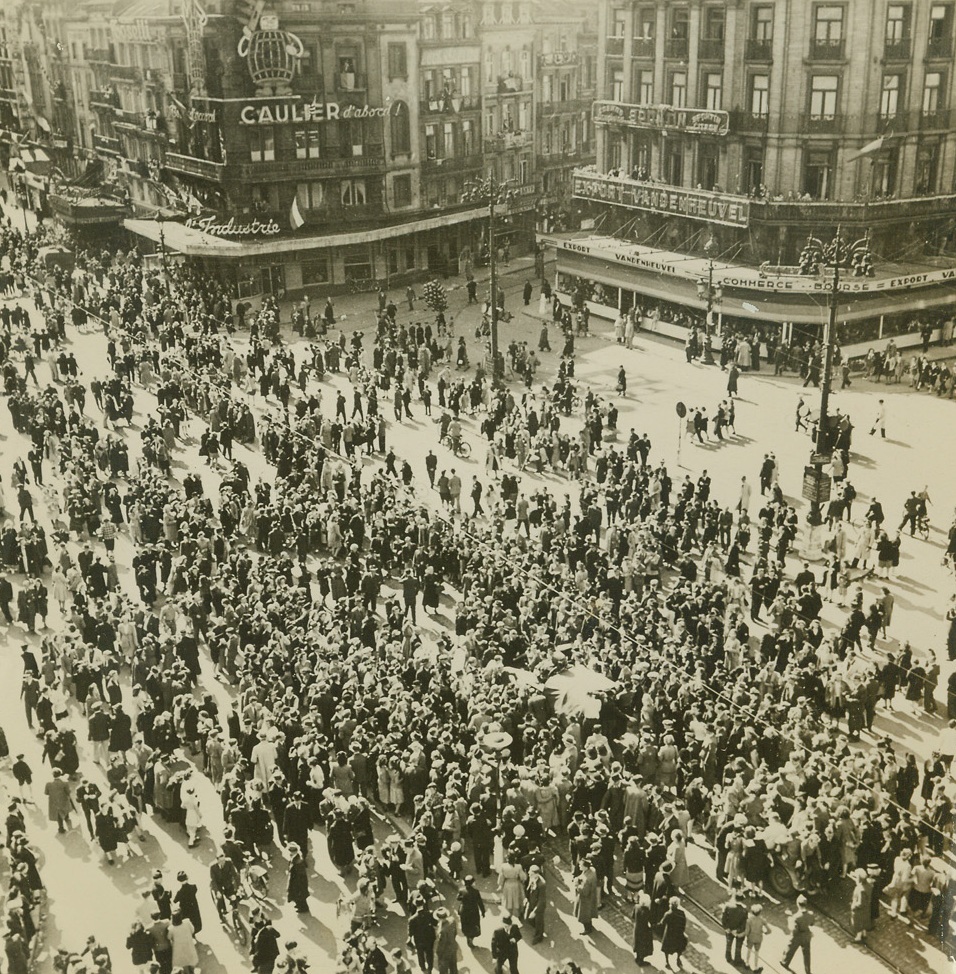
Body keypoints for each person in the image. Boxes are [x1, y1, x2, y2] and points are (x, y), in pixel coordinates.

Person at [781, 895, 813, 974]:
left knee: (790, 949)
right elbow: (812, 924)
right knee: (807, 954)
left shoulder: (795, 917)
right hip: (806, 935)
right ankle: (808, 970)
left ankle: (785, 962)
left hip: (797, 936)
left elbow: (793, 929)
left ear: (798, 904)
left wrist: (789, 919)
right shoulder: (811, 914)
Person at [660, 896, 688, 971]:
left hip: (669, 934)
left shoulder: (668, 914)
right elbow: (684, 923)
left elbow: (662, 922)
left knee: (666, 949)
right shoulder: (682, 913)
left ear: (670, 904)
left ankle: (667, 962)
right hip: (678, 934)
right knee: (679, 948)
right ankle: (678, 959)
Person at [457, 875, 485, 948]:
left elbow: (458, 898)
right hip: (473, 911)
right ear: (471, 883)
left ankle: (468, 937)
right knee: (473, 925)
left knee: (466, 925)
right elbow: (480, 903)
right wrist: (483, 912)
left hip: (464, 911)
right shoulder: (475, 892)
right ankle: (471, 939)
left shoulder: (461, 890)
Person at [721, 890, 747, 966]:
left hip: (729, 930)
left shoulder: (727, 906)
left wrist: (726, 928)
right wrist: (737, 930)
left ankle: (728, 957)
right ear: (742, 899)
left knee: (728, 944)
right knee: (738, 946)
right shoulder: (744, 910)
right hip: (738, 932)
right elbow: (744, 923)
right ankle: (737, 959)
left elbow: (723, 918)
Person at [524, 863, 546, 944]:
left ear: (537, 874)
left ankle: (538, 937)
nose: (529, 873)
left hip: (538, 906)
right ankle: (540, 928)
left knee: (538, 921)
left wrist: (535, 912)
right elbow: (529, 889)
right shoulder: (532, 878)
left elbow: (542, 900)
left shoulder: (542, 884)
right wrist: (526, 898)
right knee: (527, 918)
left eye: (531, 873)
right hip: (531, 902)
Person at [745, 903, 770, 971]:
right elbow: (769, 930)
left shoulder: (749, 920)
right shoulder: (762, 920)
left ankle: (747, 963)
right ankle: (755, 967)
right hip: (758, 938)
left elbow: (747, 931)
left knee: (749, 950)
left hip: (751, 937)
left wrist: (746, 935)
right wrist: (765, 932)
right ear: (760, 912)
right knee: (756, 952)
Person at [632, 891, 653, 967]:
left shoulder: (636, 907)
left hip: (637, 928)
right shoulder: (646, 911)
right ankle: (641, 961)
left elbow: (633, 916)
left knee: (638, 943)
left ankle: (638, 958)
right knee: (643, 945)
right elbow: (649, 921)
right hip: (644, 931)